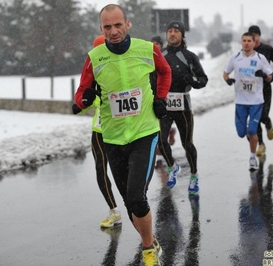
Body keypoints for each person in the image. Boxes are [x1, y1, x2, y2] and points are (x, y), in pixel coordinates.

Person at [74, 4, 171, 265]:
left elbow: (165, 72)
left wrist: (161, 97)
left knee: (137, 196)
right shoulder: (95, 57)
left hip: (144, 132)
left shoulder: (147, 49)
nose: (114, 31)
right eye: (108, 27)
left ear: (127, 24)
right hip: (113, 138)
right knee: (130, 203)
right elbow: (81, 92)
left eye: (118, 25)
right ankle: (150, 240)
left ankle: (149, 248)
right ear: (101, 29)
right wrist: (85, 98)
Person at [72, 35, 122, 229]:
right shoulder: (93, 70)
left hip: (120, 130)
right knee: (101, 169)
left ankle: (136, 207)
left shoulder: (120, 70)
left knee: (123, 172)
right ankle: (113, 211)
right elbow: (86, 97)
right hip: (99, 130)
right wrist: (82, 103)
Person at [157, 20, 208, 194]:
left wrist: (191, 81)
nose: (172, 34)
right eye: (169, 31)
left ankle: (194, 175)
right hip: (163, 105)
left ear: (182, 35)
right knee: (161, 141)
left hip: (183, 105)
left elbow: (203, 80)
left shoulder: (189, 57)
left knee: (187, 144)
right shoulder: (159, 54)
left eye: (176, 31)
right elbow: (150, 77)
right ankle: (172, 168)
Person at [223, 32, 273, 171]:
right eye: (244, 40)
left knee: (252, 130)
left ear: (254, 42)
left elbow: (270, 76)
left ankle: (252, 157)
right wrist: (228, 80)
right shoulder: (235, 57)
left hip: (256, 101)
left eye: (249, 41)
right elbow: (225, 73)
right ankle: (253, 140)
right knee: (241, 133)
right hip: (240, 101)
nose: (246, 43)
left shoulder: (260, 58)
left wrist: (264, 75)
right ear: (241, 42)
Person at [248, 25, 273, 156]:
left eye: (256, 35)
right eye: (251, 36)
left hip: (265, 88)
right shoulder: (245, 52)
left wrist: (272, 75)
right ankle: (261, 144)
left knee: (262, 116)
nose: (253, 38)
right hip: (251, 90)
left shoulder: (267, 49)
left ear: (259, 37)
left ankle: (267, 122)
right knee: (254, 119)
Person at [150, 35, 177, 147]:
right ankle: (160, 141)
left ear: (161, 45)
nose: (154, 46)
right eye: (152, 44)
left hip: (164, 93)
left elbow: (168, 73)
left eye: (157, 44)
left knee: (162, 118)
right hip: (152, 92)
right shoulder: (148, 57)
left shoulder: (165, 57)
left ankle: (167, 135)